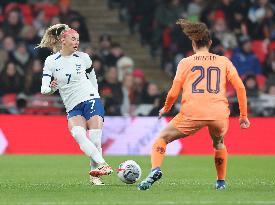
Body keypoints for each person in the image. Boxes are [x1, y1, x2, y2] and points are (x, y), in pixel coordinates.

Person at [138, 19, 250, 191]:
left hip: (192, 113)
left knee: (162, 139)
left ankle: (155, 169)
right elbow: (240, 88)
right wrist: (243, 116)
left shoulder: (185, 62)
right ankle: (221, 182)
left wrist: (166, 108)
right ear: (210, 43)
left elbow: (174, 92)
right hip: (218, 114)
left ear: (193, 43)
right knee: (219, 144)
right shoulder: (224, 61)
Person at [39, 24, 113, 186]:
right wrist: (51, 88)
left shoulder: (84, 58)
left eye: (78, 39)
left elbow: (92, 77)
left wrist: (96, 94)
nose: (76, 42)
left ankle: (96, 176)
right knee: (78, 134)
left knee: (95, 139)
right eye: (73, 39)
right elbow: (44, 89)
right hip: (72, 105)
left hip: (90, 99)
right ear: (63, 40)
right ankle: (102, 164)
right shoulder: (51, 61)